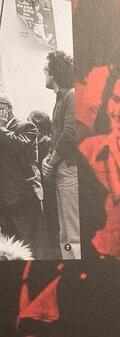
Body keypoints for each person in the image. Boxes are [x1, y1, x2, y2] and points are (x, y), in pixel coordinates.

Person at [40, 50, 81, 258]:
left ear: (54, 72)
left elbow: (69, 134)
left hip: (69, 171)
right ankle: (69, 262)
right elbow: (56, 136)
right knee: (65, 234)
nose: (44, 72)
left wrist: (50, 162)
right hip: (62, 172)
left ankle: (77, 266)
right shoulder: (60, 98)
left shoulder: (72, 95)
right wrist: (48, 159)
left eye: (46, 69)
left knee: (74, 233)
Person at [0, 93, 46, 258]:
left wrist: (1, 128)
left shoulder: (27, 127)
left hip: (24, 200)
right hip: (5, 203)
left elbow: (20, 147)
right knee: (10, 251)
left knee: (30, 248)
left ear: (7, 109)